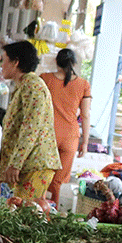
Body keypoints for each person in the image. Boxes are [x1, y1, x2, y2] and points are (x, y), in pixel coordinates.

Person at [0, 40, 60, 204]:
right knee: (12, 210)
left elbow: (30, 129)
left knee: (23, 216)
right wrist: (2, 172)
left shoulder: (33, 86)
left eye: (4, 60)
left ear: (15, 62)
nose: (1, 65)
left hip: (35, 163)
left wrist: (16, 164)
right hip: (24, 165)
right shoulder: (23, 86)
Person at [41, 47, 91, 204]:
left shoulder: (45, 79)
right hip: (70, 137)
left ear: (56, 62)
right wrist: (85, 142)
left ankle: (37, 212)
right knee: (59, 182)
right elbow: (86, 115)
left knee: (41, 178)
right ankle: (53, 216)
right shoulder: (83, 84)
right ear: (74, 63)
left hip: (48, 136)